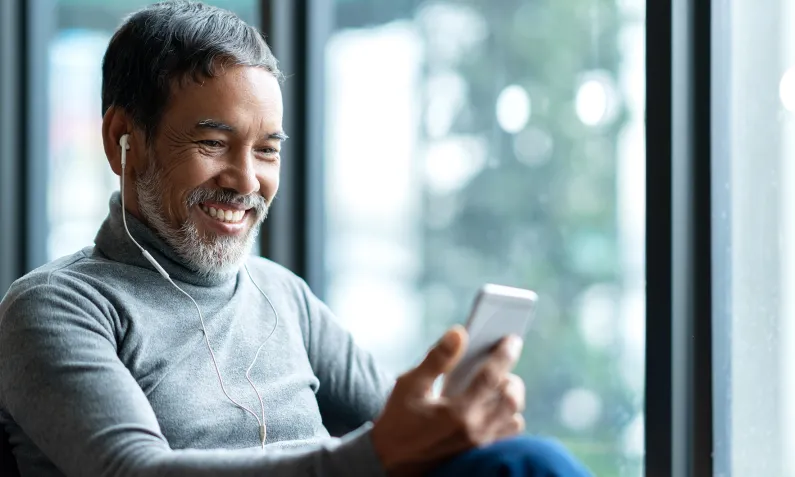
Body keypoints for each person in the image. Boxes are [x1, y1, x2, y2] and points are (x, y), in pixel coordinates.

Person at [0, 2, 592, 476]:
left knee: (519, 461)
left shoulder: (282, 294)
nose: (245, 180)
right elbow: (133, 470)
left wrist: (459, 421)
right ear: (122, 140)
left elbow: (404, 432)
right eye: (212, 144)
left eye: (266, 150)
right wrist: (377, 455)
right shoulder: (55, 308)